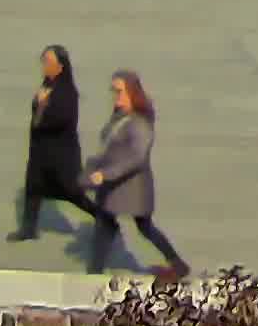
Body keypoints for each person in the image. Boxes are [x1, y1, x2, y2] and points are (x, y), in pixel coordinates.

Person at [80, 69, 191, 281]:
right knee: (106, 223)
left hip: (131, 187)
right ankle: (94, 272)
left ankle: (177, 264)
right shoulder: (121, 116)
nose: (116, 96)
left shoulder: (140, 123)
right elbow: (110, 145)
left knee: (142, 226)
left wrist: (105, 174)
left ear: (132, 92)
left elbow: (135, 158)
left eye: (120, 91)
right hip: (115, 186)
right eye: (114, 91)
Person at [12, 45, 88, 242]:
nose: (43, 66)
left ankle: (104, 217)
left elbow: (59, 121)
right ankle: (28, 229)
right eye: (43, 61)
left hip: (60, 156)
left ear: (60, 67)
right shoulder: (47, 85)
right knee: (33, 188)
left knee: (73, 193)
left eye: (48, 62)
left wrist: (43, 106)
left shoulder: (67, 93)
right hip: (40, 152)